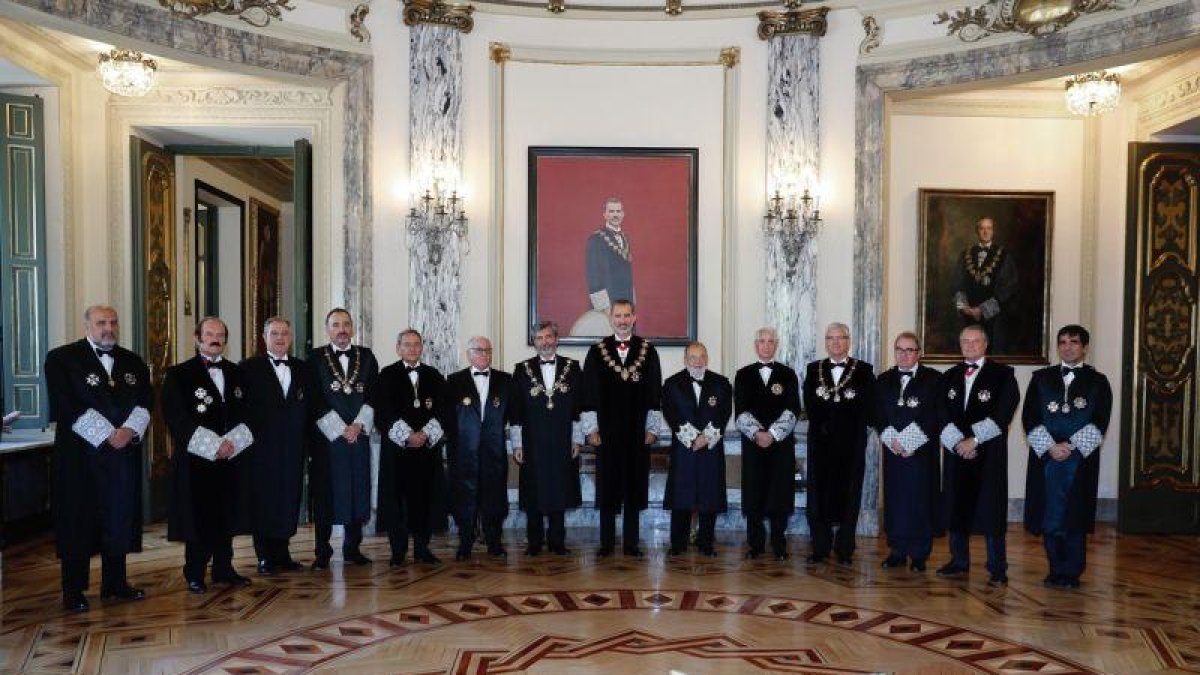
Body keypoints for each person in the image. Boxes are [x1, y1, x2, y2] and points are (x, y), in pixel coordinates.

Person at [45, 305, 152, 612]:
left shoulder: (133, 361)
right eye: (101, 322)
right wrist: (107, 434)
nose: (108, 328)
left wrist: (129, 431)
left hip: (121, 457)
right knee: (78, 520)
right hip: (80, 457)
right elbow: (66, 405)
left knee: (119, 516)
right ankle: (73, 590)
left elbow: (146, 401)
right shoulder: (62, 358)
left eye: (113, 322)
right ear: (87, 325)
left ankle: (115, 583)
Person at [163, 316, 255, 593]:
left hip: (231, 458)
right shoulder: (179, 374)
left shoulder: (238, 373)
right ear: (197, 338)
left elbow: (250, 413)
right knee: (198, 517)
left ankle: (224, 568)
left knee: (227, 514)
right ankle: (195, 572)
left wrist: (231, 443)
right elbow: (176, 418)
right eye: (209, 334)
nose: (215, 339)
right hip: (197, 460)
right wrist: (214, 445)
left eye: (220, 335)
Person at [1022, 325, 1112, 589]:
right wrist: (1050, 446)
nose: (1068, 347)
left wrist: (1070, 447)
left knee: (1074, 516)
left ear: (1085, 347)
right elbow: (1030, 417)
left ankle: (1072, 572)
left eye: (1074, 342)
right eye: (1062, 342)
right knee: (1049, 514)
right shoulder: (1040, 378)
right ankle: (1054, 569)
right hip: (1047, 458)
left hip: (1079, 460)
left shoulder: (1098, 382)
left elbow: (1100, 421)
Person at [937, 324, 1019, 586]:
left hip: (988, 453)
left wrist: (973, 440)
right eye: (965, 341)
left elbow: (1004, 412)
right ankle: (958, 561)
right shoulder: (949, 376)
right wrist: (957, 443)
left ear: (985, 344)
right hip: (956, 453)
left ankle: (997, 567)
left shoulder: (1003, 375)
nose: (970, 345)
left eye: (975, 341)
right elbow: (941, 413)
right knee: (956, 505)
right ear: (960, 345)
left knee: (990, 509)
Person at [581, 300, 664, 557]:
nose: (623, 320)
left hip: (637, 432)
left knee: (633, 485)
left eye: (627, 315)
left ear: (634, 318)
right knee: (608, 486)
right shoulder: (597, 351)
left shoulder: (648, 350)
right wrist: (591, 429)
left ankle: (631, 544)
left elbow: (654, 392)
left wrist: (652, 428)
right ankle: (606, 544)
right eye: (618, 316)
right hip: (606, 433)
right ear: (611, 318)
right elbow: (588, 393)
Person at [307, 308, 379, 569]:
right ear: (327, 329)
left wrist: (358, 425)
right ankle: (322, 552)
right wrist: (340, 428)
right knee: (326, 492)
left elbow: (373, 394)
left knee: (357, 489)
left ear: (353, 328)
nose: (342, 330)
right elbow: (314, 398)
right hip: (327, 439)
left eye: (346, 324)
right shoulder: (314, 358)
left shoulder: (367, 357)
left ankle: (352, 548)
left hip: (358, 437)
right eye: (336, 325)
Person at [802, 322, 876, 565]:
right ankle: (820, 548)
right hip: (820, 444)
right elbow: (810, 405)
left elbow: (867, 408)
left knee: (849, 495)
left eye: (840, 337)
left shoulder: (864, 370)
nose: (835, 342)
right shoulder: (813, 369)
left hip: (851, 445)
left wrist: (845, 425)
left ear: (848, 341)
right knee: (818, 497)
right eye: (830, 338)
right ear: (825, 342)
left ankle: (845, 549)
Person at [240, 317, 308, 575]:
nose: (280, 338)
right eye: (274, 333)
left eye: (285, 333)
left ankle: (283, 553)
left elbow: (309, 407)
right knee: (264, 500)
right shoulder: (248, 368)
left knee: (288, 498)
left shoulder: (302, 368)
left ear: (291, 338)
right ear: (264, 337)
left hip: (293, 447)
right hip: (261, 448)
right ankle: (264, 556)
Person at [511, 321, 584, 556]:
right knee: (534, 491)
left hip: (563, 440)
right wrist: (517, 443)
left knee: (559, 490)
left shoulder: (573, 368)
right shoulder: (521, 370)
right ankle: (534, 542)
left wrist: (577, 439)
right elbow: (516, 411)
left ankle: (557, 542)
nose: (545, 342)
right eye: (539, 338)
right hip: (532, 442)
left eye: (548, 336)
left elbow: (578, 408)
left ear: (556, 339)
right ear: (534, 342)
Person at [375, 328, 446, 566]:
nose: (413, 348)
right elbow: (383, 411)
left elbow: (443, 410)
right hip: (398, 451)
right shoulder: (386, 375)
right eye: (407, 344)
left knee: (425, 498)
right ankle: (398, 551)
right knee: (397, 500)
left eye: (416, 344)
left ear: (421, 348)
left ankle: (422, 549)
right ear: (398, 348)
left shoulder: (434, 375)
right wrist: (407, 436)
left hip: (426, 451)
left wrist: (424, 434)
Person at [873, 331, 942, 572]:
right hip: (893, 452)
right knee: (895, 501)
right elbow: (877, 414)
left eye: (909, 350)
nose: (904, 355)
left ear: (918, 353)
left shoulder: (934, 379)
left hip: (921, 453)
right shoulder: (883, 380)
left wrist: (909, 442)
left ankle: (920, 554)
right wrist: (893, 440)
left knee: (920, 501)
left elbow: (935, 414)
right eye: (899, 350)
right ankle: (897, 551)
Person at [442, 336, 515, 560]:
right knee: (464, 498)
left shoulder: (506, 380)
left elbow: (514, 415)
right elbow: (447, 418)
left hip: (494, 451)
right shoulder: (454, 381)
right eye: (479, 350)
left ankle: (494, 543)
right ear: (469, 354)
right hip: (463, 452)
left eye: (488, 350)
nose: (484, 354)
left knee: (494, 498)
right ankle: (465, 543)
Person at [734, 327, 801, 561]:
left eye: (770, 341)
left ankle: (779, 544)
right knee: (754, 492)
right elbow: (740, 410)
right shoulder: (743, 375)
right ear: (756, 345)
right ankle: (755, 544)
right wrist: (757, 434)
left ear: (776, 345)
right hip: (753, 445)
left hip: (780, 445)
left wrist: (772, 434)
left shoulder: (788, 374)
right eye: (761, 341)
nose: (766, 345)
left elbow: (793, 409)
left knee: (779, 493)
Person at [661, 342, 732, 557]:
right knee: (681, 496)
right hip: (685, 450)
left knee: (709, 497)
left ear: (707, 358)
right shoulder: (672, 383)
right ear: (685, 360)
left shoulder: (721, 383)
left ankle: (706, 544)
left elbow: (724, 413)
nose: (698, 361)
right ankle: (678, 544)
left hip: (711, 448)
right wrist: (693, 438)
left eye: (702, 356)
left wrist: (706, 437)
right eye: (693, 357)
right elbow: (671, 413)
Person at [954, 216, 1018, 353]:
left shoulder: (1004, 256)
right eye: (982, 228)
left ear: (993, 231)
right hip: (968, 317)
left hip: (994, 320)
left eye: (989, 228)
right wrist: (964, 308)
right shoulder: (965, 254)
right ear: (977, 231)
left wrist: (982, 310)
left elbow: (1008, 289)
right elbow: (958, 284)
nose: (985, 232)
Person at [585, 197, 635, 313]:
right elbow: (593, 274)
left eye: (618, 211)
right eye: (611, 211)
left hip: (625, 298)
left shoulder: (625, 237)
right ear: (605, 215)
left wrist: (631, 299)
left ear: (623, 214)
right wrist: (604, 306)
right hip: (607, 300)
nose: (615, 215)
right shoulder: (596, 239)